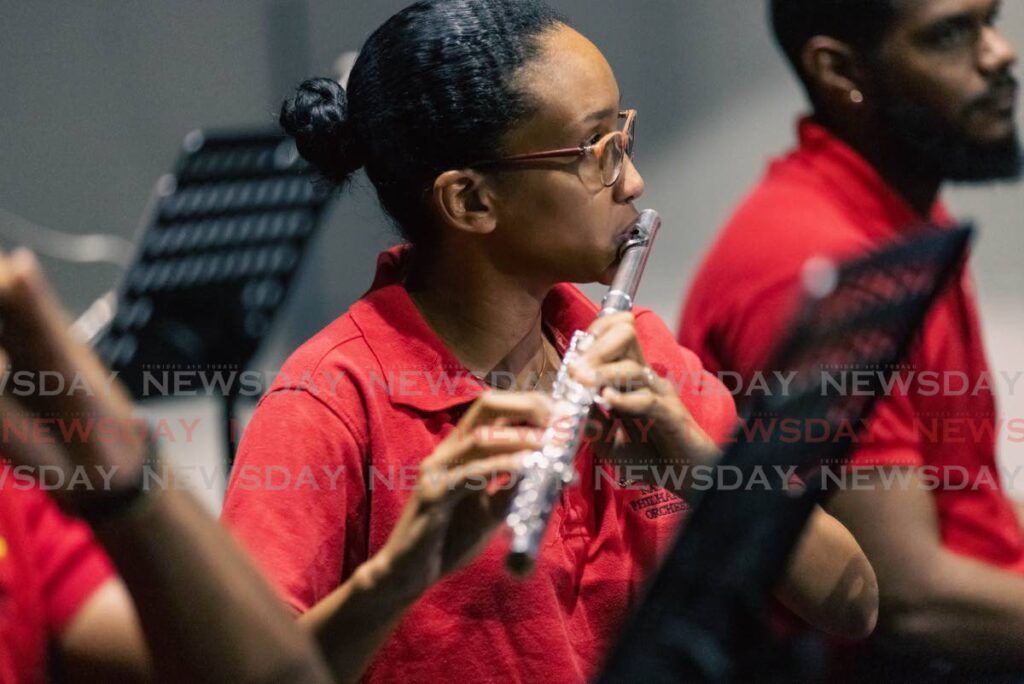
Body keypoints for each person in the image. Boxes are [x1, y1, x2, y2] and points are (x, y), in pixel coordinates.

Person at [221, 2, 879, 682]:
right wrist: (398, 574)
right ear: (471, 202)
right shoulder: (331, 401)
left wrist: (701, 465)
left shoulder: (635, 353)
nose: (632, 181)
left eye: (622, 137)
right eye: (596, 152)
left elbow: (853, 604)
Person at [679, 0, 1023, 677]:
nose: (998, 55)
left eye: (992, 21)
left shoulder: (902, 218)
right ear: (839, 70)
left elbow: (964, 494)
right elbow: (909, 599)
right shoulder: (820, 262)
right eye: (951, 34)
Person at [0, 249, 529, 680]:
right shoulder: (327, 392)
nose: (616, 182)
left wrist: (123, 477)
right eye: (588, 148)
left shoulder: (16, 499)